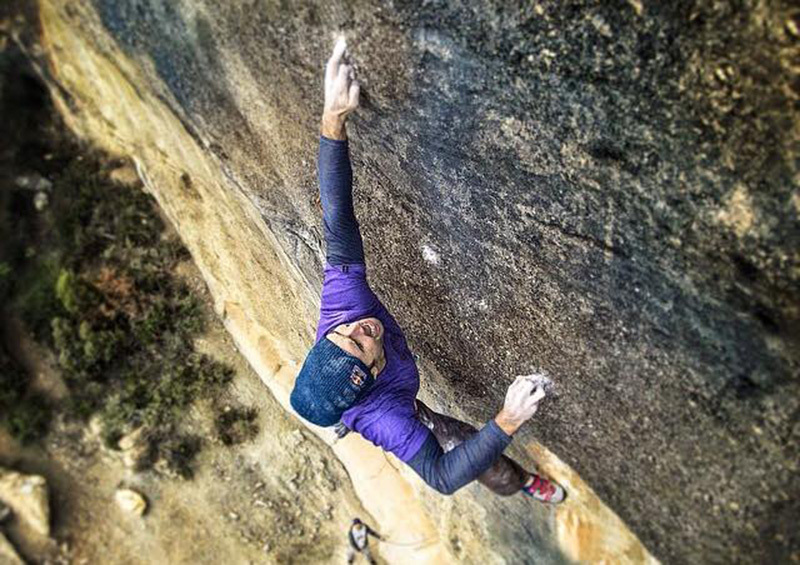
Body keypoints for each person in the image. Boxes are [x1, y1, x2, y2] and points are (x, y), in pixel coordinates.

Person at [290, 36, 565, 504]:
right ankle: (522, 484)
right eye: (362, 344)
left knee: (463, 438)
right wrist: (508, 420)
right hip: (381, 404)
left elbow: (338, 217)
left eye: (347, 333)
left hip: (351, 385)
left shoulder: (342, 311)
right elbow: (440, 478)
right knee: (459, 442)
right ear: (374, 372)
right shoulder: (384, 417)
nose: (361, 327)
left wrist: (332, 116)